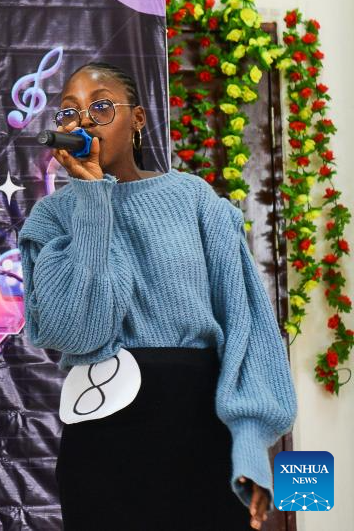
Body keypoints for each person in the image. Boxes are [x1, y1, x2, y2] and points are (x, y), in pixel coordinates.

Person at [18, 62, 297, 531]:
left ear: (138, 119)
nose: (84, 122)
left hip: (200, 431)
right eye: (69, 112)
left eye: (100, 107)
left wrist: (250, 444)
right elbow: (76, 332)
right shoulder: (52, 218)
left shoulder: (194, 199)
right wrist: (91, 198)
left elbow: (246, 325)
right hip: (101, 443)